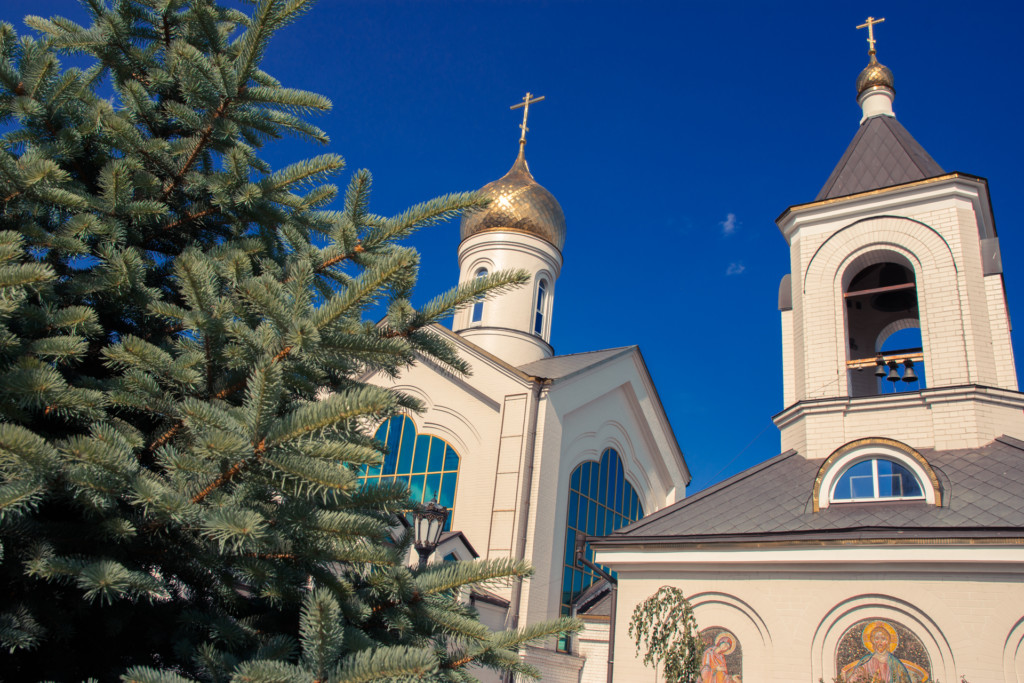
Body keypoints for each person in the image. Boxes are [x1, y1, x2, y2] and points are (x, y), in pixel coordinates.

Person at [841, 624, 913, 683]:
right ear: (873, 641)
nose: (880, 642)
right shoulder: (866, 662)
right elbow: (853, 680)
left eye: (883, 639)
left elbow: (905, 680)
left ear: (888, 641)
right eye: (877, 639)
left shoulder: (896, 664)